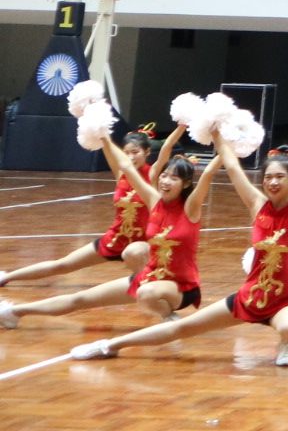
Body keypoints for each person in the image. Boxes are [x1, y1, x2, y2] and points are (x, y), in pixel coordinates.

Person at [68, 138, 288, 368]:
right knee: (182, 328)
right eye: (268, 177)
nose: (273, 182)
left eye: (280, 177)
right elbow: (232, 166)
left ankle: (286, 342)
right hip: (249, 297)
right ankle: (108, 346)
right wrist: (217, 132)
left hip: (284, 301)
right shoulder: (257, 205)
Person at [0, 129, 223, 330]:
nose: (165, 181)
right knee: (81, 299)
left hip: (179, 286)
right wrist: (103, 134)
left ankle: (169, 319)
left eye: (173, 178)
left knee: (145, 287)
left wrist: (222, 140)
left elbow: (208, 174)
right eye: (164, 176)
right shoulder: (153, 200)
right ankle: (13, 312)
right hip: (148, 276)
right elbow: (125, 166)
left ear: (185, 184)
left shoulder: (191, 209)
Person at [0, 127, 169, 291]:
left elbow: (167, 148)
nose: (131, 157)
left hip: (142, 244)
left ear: (147, 152)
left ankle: (144, 290)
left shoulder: (153, 175)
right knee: (63, 265)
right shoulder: (121, 174)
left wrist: (181, 125)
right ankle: (7, 276)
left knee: (143, 267)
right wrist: (100, 130)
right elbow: (108, 148)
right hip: (115, 239)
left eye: (135, 152)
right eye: (126, 152)